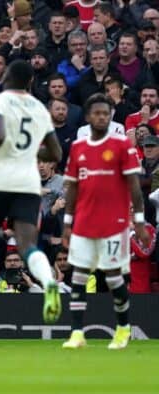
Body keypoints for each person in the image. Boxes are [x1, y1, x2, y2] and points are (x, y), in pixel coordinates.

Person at [0, 60, 63, 340]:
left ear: (8, 77)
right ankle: (48, 282)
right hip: (28, 183)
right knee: (27, 244)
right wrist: (29, 152)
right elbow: (55, 154)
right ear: (31, 82)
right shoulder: (39, 109)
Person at [62, 94, 149, 350]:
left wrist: (140, 222)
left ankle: (123, 328)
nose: (102, 117)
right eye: (97, 113)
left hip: (115, 222)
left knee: (113, 276)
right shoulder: (78, 147)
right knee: (78, 275)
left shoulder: (122, 144)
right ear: (88, 116)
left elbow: (134, 187)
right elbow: (73, 188)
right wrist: (68, 222)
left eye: (106, 113)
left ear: (111, 116)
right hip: (84, 223)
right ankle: (77, 333)